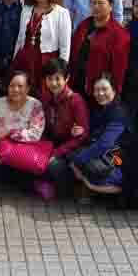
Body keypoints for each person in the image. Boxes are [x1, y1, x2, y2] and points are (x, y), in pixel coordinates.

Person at [0, 71, 47, 191]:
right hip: (3, 154)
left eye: (20, 86)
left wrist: (11, 133)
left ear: (28, 88)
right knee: (2, 179)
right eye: (12, 86)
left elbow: (35, 134)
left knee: (25, 184)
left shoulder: (35, 105)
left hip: (26, 155)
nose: (16, 90)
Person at [39, 59, 90, 200]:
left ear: (67, 78)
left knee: (53, 165)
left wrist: (57, 152)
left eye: (58, 79)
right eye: (49, 79)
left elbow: (83, 135)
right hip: (53, 143)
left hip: (70, 148)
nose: (53, 83)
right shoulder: (46, 97)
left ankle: (70, 190)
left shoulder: (76, 101)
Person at [12, 0, 72, 91]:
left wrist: (61, 72)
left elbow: (65, 47)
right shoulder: (26, 9)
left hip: (47, 62)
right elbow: (20, 39)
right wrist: (14, 58)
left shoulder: (62, 13)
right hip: (24, 59)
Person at [70, 78, 129, 200]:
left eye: (104, 89)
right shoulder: (101, 109)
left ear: (114, 90)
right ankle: (91, 188)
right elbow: (94, 133)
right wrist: (81, 131)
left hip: (120, 160)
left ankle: (97, 188)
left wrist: (78, 159)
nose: (100, 93)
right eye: (96, 90)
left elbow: (105, 143)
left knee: (75, 159)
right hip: (107, 154)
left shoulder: (119, 113)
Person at [68, 0, 130, 98]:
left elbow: (119, 69)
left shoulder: (119, 34)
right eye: (93, 3)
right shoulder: (83, 26)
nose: (96, 6)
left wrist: (114, 92)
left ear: (111, 6)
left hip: (101, 91)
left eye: (101, 3)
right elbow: (73, 53)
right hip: (77, 84)